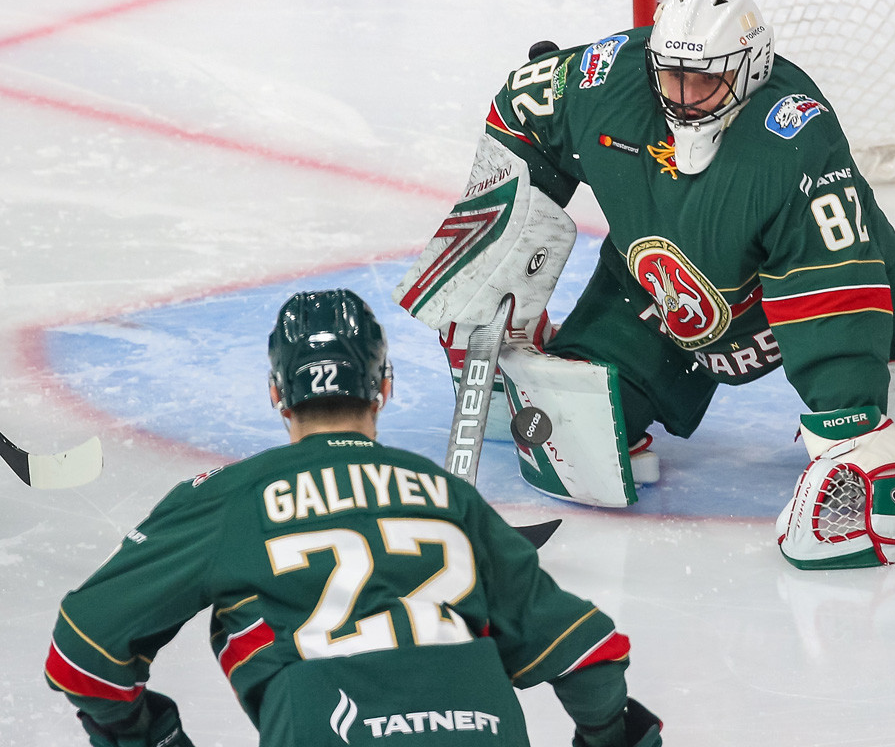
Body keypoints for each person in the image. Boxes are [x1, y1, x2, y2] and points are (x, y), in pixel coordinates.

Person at [394, 0, 895, 570]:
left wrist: (850, 427)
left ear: (749, 68)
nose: (684, 96)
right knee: (578, 436)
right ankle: (596, 363)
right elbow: (521, 108)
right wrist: (501, 244)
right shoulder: (608, 80)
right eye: (671, 75)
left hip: (787, 295)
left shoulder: (792, 138)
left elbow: (830, 285)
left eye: (706, 80)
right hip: (660, 296)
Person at [44, 289, 661, 747]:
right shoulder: (448, 496)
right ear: (384, 388)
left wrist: (142, 735)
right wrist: (609, 735)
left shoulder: (230, 498)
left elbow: (82, 650)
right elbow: (588, 656)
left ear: (276, 395)